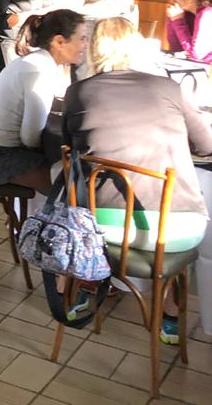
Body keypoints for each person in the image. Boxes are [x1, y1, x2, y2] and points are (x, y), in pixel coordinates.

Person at [63, 18, 212, 344]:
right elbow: (207, 145)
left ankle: (87, 283)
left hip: (101, 228)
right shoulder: (168, 88)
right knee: (182, 212)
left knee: (81, 189)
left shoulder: (78, 92)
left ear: (93, 49)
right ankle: (169, 315)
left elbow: (71, 146)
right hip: (175, 230)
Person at [0, 9, 87, 192]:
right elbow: (30, 138)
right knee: (69, 188)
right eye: (82, 39)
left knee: (67, 171)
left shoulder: (36, 62)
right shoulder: (37, 71)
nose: (85, 45)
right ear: (59, 42)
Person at [166, 0, 212, 64]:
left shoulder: (206, 15)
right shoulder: (189, 14)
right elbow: (176, 47)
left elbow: (196, 55)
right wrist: (172, 21)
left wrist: (178, 22)